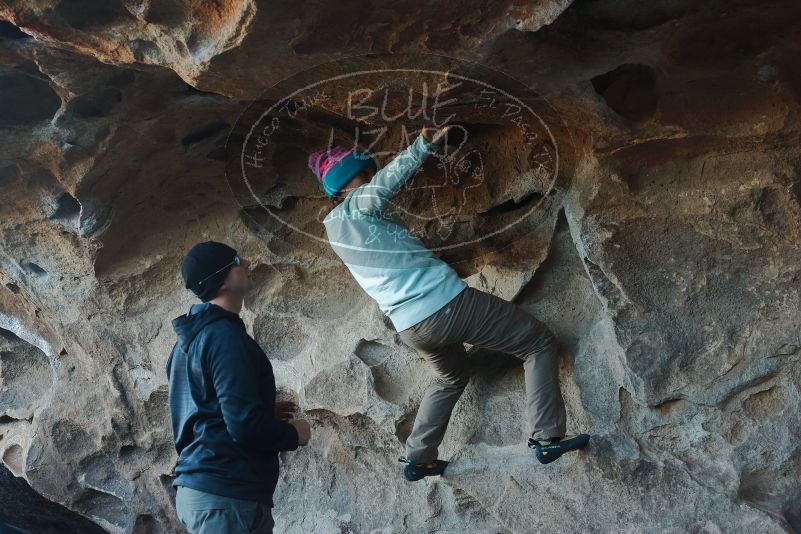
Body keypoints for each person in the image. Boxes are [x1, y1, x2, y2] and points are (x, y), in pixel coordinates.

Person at [308, 126, 590, 482]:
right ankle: (547, 436)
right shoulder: (358, 206)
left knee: (451, 376)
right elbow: (385, 184)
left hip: (410, 327)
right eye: (364, 172)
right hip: (444, 306)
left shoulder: (335, 229)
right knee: (538, 343)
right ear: (351, 179)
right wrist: (422, 145)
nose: (369, 176)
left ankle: (419, 458)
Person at [166, 241, 312, 532]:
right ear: (221, 279)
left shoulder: (189, 340)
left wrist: (261, 410)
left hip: (211, 491)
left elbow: (199, 410)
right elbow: (244, 428)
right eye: (236, 260)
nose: (246, 262)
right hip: (225, 494)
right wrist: (293, 434)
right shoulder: (224, 337)